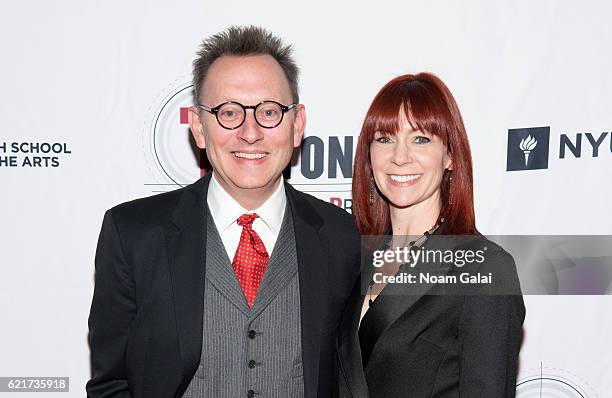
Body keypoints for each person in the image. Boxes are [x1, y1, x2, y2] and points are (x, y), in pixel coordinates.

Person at [87, 26, 360, 398]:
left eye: (269, 111)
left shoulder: (341, 236)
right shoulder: (133, 234)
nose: (250, 133)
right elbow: (111, 384)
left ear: (297, 125)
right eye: (229, 112)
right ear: (198, 127)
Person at [337, 73, 525, 397]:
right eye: (384, 139)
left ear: (450, 156)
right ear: (368, 156)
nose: (400, 156)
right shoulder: (352, 260)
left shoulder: (484, 269)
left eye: (420, 139)